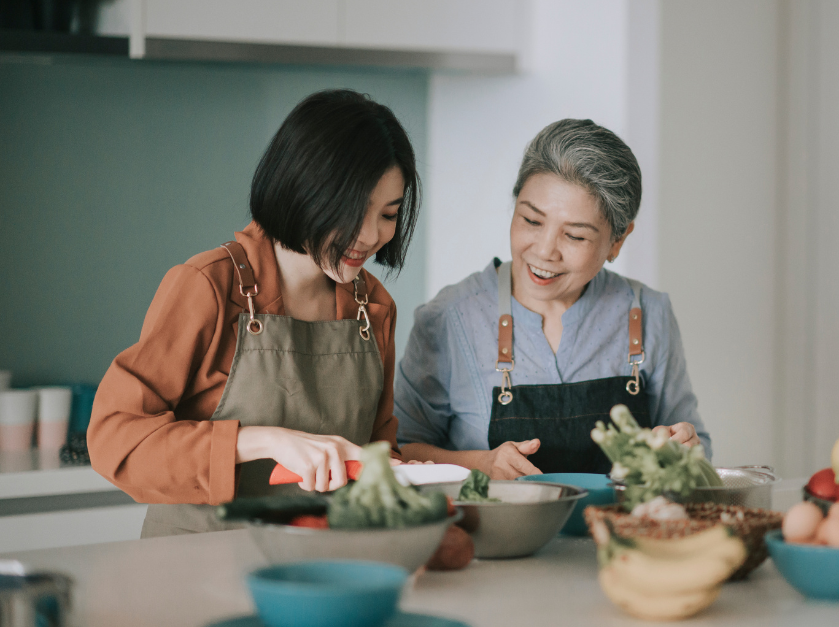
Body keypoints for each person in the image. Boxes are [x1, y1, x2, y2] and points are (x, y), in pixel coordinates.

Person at [88, 89, 421, 536]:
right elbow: (115, 439)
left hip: (318, 569)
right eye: (354, 209)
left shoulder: (373, 307)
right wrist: (259, 440)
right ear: (304, 188)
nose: (370, 234)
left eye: (388, 214)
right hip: (195, 571)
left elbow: (378, 453)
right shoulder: (207, 285)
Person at [394, 119, 711, 479]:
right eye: (531, 220)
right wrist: (480, 464)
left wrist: (682, 447)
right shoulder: (449, 317)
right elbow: (402, 449)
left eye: (574, 236)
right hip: (496, 533)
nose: (545, 251)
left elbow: (696, 447)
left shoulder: (649, 312)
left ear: (618, 241)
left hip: (622, 532)